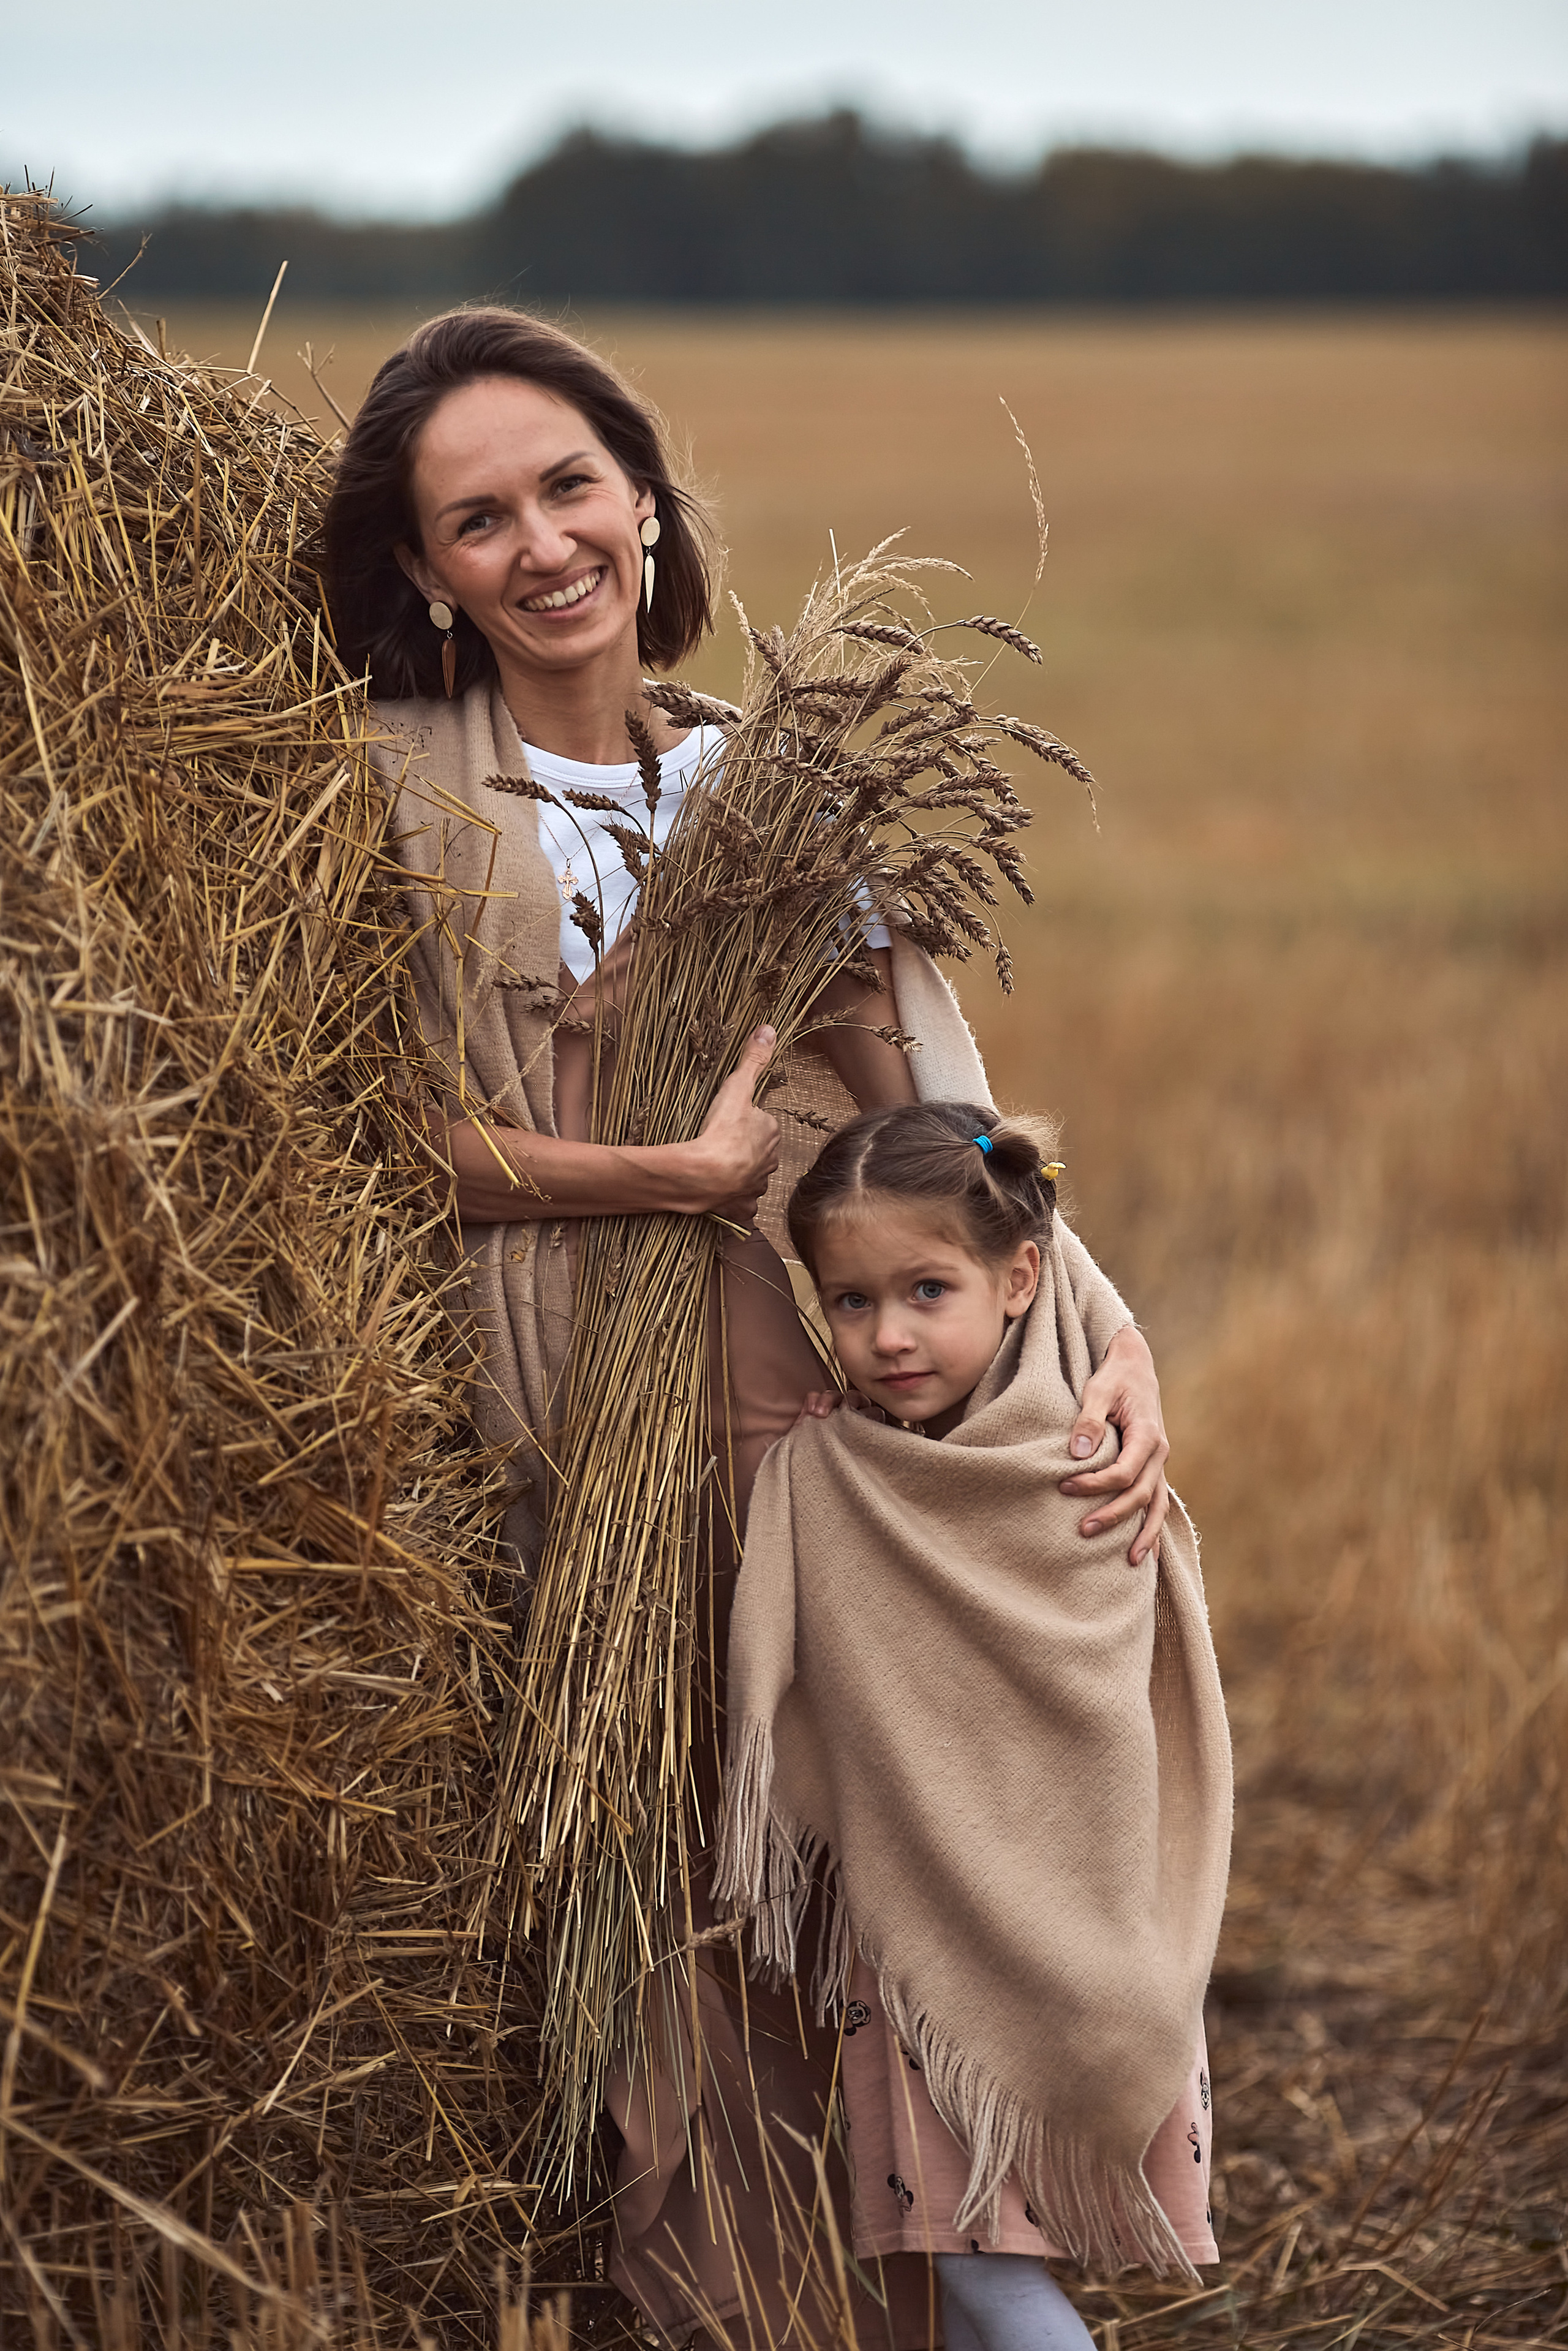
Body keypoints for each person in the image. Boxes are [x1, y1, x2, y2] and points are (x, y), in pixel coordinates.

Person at [322, 305, 1180, 2347]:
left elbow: (937, 1124)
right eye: (477, 518)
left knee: (860, 1859)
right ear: (424, 570)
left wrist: (1110, 1328)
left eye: (569, 487)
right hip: (522, 1407)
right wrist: (669, 1177)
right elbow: (357, 1149)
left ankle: (982, 2286)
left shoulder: (772, 780)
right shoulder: (380, 793)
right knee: (668, 1912)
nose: (540, 544)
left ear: (643, 496)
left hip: (792, 1411)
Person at [717, 1102, 1233, 2351]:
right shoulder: (839, 1472)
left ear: (1018, 1279)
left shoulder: (1084, 1466)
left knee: (987, 2286)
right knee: (976, 2284)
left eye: (924, 1288)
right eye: (846, 1302)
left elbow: (1104, 1716)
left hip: (1057, 1952)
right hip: (930, 1942)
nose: (885, 1334)